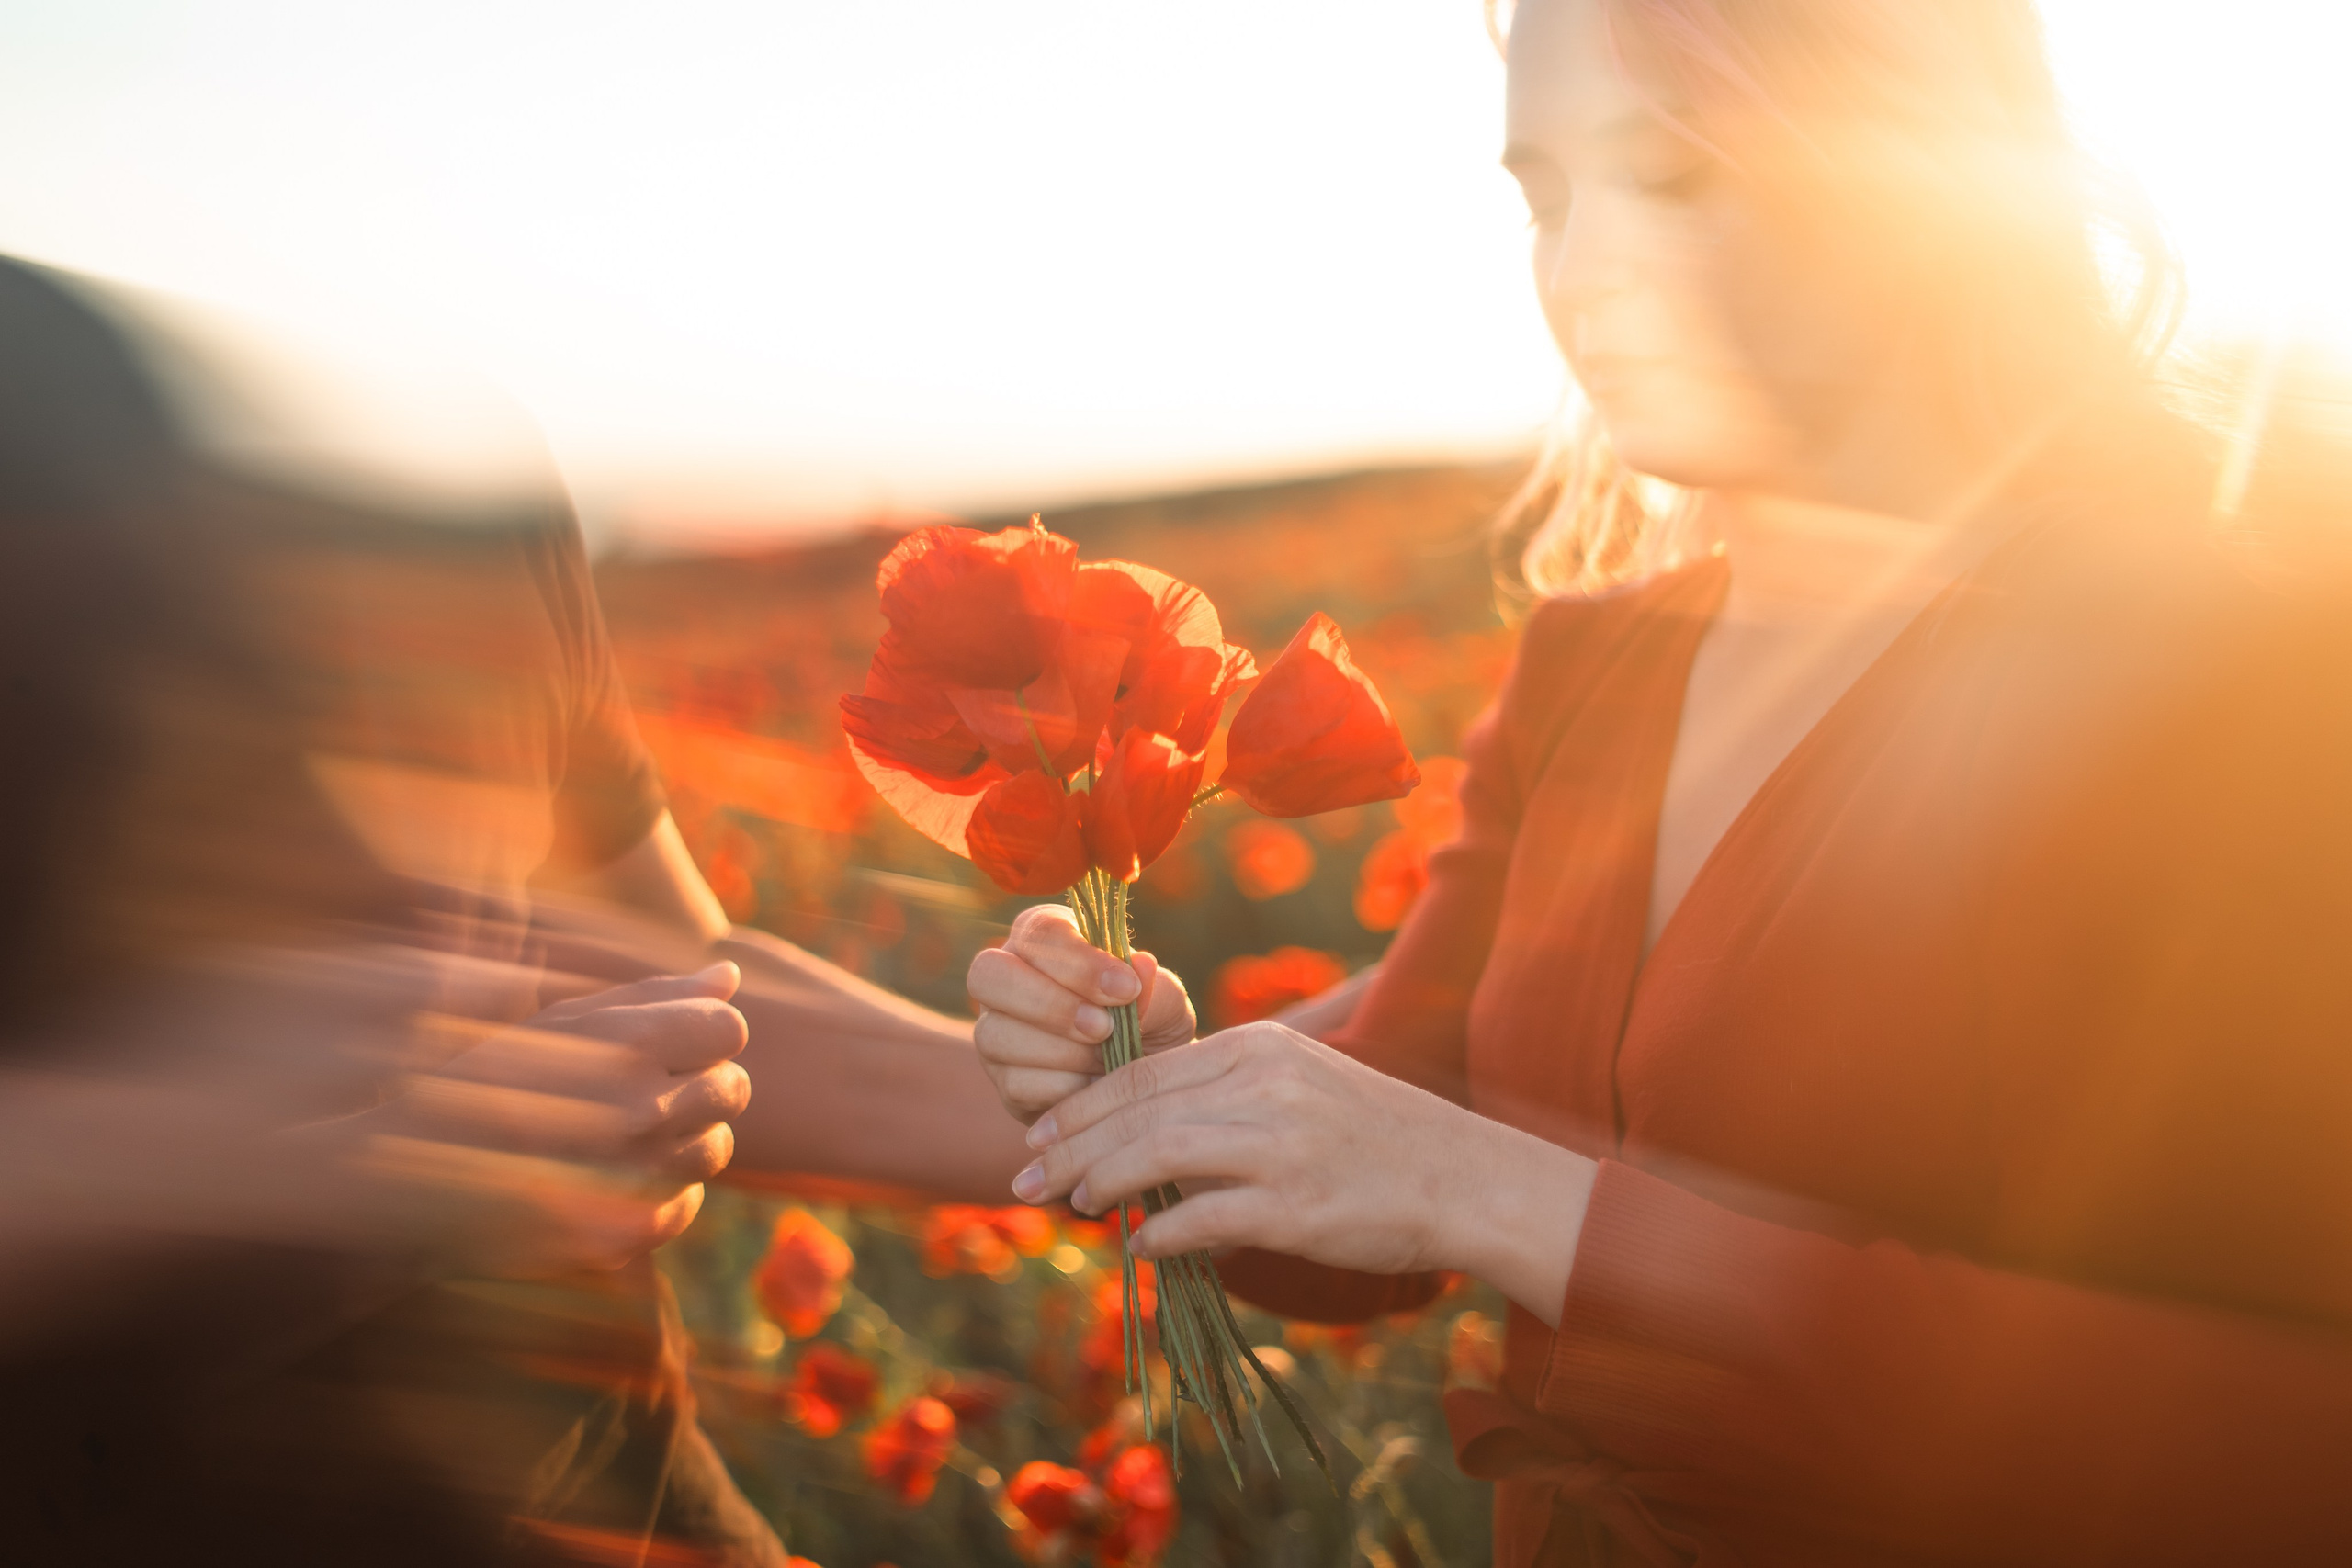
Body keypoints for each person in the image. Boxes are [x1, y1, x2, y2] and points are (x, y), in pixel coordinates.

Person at [965, 1, 2352, 1563]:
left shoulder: (2234, 675)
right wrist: (1152, 1076)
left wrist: (1519, 1208)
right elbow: (1372, 1209)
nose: (1584, 268)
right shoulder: (1591, 676)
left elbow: (2289, 1437)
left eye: (1679, 177)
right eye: (1548, 195)